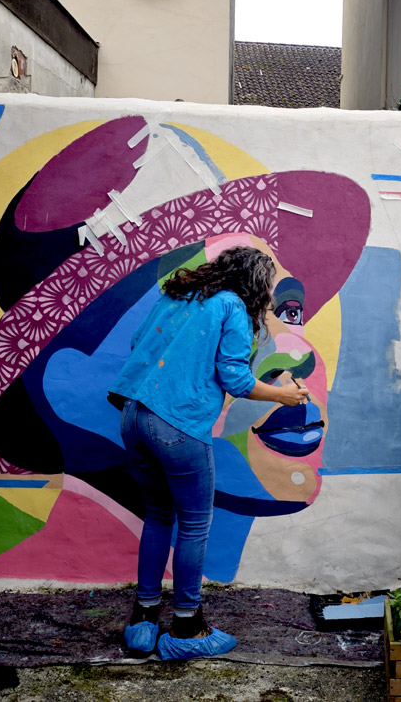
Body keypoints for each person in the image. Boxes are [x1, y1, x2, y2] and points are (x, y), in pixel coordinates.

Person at [108, 246, 310, 659]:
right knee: (194, 523)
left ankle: (143, 622)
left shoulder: (180, 294)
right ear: (255, 283)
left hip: (133, 415)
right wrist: (284, 395)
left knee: (158, 515)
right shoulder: (232, 305)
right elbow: (236, 379)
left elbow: (137, 341)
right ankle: (187, 627)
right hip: (177, 424)